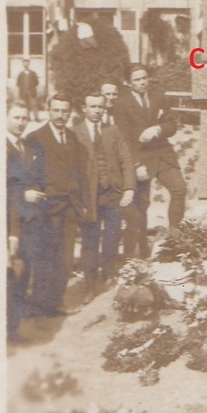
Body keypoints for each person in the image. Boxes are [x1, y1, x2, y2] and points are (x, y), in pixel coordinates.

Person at [113, 64, 187, 255]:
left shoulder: (159, 97)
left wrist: (158, 129)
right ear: (128, 83)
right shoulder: (121, 104)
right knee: (141, 205)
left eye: (144, 78)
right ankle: (141, 250)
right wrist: (136, 165)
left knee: (179, 189)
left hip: (162, 153)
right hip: (140, 157)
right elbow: (125, 139)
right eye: (137, 80)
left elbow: (172, 124)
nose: (142, 83)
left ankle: (173, 238)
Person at [25, 94, 86, 317]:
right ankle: (39, 304)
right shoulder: (35, 137)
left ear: (70, 112)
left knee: (65, 256)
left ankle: (56, 301)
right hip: (46, 205)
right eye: (56, 110)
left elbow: (77, 171)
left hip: (69, 205)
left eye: (65, 111)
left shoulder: (71, 137)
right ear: (48, 111)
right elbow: (28, 173)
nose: (61, 115)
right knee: (45, 254)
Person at [72, 91, 135, 303]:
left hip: (113, 193)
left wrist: (129, 189)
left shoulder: (113, 131)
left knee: (112, 236)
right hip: (88, 196)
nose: (97, 111)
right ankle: (89, 285)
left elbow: (126, 159)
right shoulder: (74, 133)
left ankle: (108, 276)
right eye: (92, 107)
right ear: (84, 108)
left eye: (100, 107)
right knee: (90, 240)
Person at [6, 100, 41, 340]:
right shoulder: (0, 147)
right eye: (16, 117)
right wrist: (24, 195)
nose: (20, 123)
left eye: (24, 118)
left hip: (26, 221)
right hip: (7, 222)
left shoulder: (26, 147)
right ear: (6, 117)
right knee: (7, 278)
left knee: (22, 275)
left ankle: (13, 328)